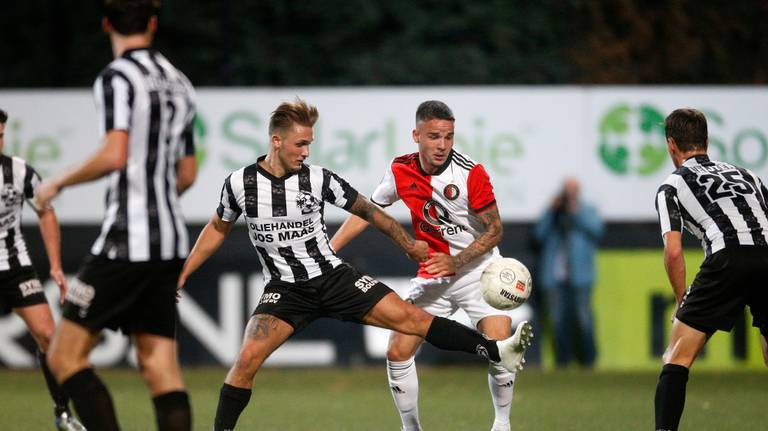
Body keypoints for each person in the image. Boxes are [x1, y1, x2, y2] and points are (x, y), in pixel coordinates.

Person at [176, 99, 533, 431]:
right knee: (246, 360)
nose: (306, 151)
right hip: (284, 290)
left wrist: (409, 245)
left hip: (341, 277)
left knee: (414, 322)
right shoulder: (240, 184)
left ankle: (498, 369)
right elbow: (217, 228)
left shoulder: (319, 178)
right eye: (300, 144)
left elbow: (369, 211)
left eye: (309, 144)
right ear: (276, 141)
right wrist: (183, 272)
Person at [35, 1, 197, 429]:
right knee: (160, 366)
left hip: (126, 239)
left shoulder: (117, 77)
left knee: (64, 356)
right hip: (170, 241)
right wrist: (157, 193)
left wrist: (55, 183)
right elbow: (188, 173)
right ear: (154, 23)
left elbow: (115, 153)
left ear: (106, 23)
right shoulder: (181, 83)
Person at [330, 100, 531, 431]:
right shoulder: (400, 171)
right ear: (416, 135)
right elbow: (368, 210)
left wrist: (457, 259)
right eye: (434, 136)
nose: (442, 145)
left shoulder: (471, 174)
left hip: (477, 272)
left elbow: (495, 230)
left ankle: (502, 423)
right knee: (397, 351)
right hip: (432, 277)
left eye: (449, 137)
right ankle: (411, 428)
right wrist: (330, 249)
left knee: (500, 346)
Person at [653, 108, 768, 431]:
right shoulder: (750, 176)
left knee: (676, 357)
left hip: (727, 255)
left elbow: (673, 251)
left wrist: (681, 302)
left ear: (671, 145)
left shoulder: (672, 185)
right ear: (706, 140)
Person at [0, 109, 85, 430]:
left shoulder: (20, 172)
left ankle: (62, 412)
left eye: (0, 135)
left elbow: (45, 212)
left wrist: (56, 266)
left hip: (15, 267)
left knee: (50, 336)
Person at [533, 177, 603, 367]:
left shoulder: (587, 210)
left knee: (583, 318)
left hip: (580, 276)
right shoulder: (553, 213)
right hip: (555, 277)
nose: (570, 195)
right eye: (567, 191)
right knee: (557, 320)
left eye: (573, 191)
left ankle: (589, 360)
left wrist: (576, 213)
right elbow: (539, 234)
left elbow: (597, 231)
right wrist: (551, 210)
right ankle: (562, 360)